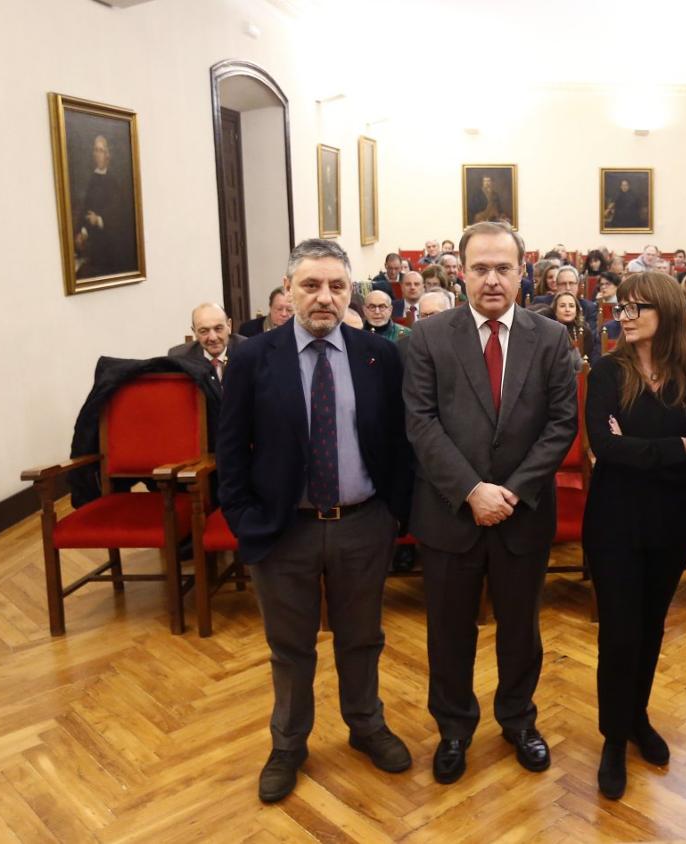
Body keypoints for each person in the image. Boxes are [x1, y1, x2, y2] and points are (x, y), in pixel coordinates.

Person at [217, 238, 413, 803]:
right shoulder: (254, 357)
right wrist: (245, 520)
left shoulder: (379, 356)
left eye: (336, 286)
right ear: (287, 291)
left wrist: (391, 515)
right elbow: (230, 452)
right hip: (284, 530)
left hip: (362, 524)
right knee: (291, 646)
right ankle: (288, 743)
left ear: (352, 292)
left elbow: (399, 444)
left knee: (362, 637)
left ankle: (366, 724)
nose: (324, 297)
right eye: (311, 285)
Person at [402, 220, 578, 785]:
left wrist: (513, 491)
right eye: (480, 268)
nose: (492, 279)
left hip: (522, 514)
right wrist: (471, 491)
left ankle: (518, 720)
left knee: (520, 629)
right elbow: (421, 424)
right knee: (449, 631)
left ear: (523, 272)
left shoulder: (550, 338)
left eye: (504, 268)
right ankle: (454, 729)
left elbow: (561, 424)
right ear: (461, 274)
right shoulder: (429, 337)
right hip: (450, 513)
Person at [583, 271, 686, 799]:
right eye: (623, 306)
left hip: (672, 522)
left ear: (667, 311)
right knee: (618, 632)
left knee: (650, 628)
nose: (628, 315)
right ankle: (613, 738)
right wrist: (674, 448)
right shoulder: (606, 373)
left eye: (639, 307)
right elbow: (605, 447)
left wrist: (642, 448)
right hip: (615, 522)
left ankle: (636, 718)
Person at [74, 134, 134, 278]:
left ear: (107, 155)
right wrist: (82, 232)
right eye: (95, 150)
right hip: (93, 244)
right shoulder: (92, 180)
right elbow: (86, 210)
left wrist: (100, 219)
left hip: (111, 246)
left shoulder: (114, 182)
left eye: (101, 150)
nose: (97, 154)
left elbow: (119, 214)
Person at [168, 303, 245, 389]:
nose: (213, 338)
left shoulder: (247, 350)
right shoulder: (180, 357)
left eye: (218, 329)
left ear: (229, 326)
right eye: (204, 331)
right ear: (194, 332)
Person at [550, 291, 593, 372]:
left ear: (576, 310)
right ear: (555, 310)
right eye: (562, 306)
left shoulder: (585, 331)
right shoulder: (548, 331)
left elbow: (587, 362)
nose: (567, 309)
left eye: (571, 306)